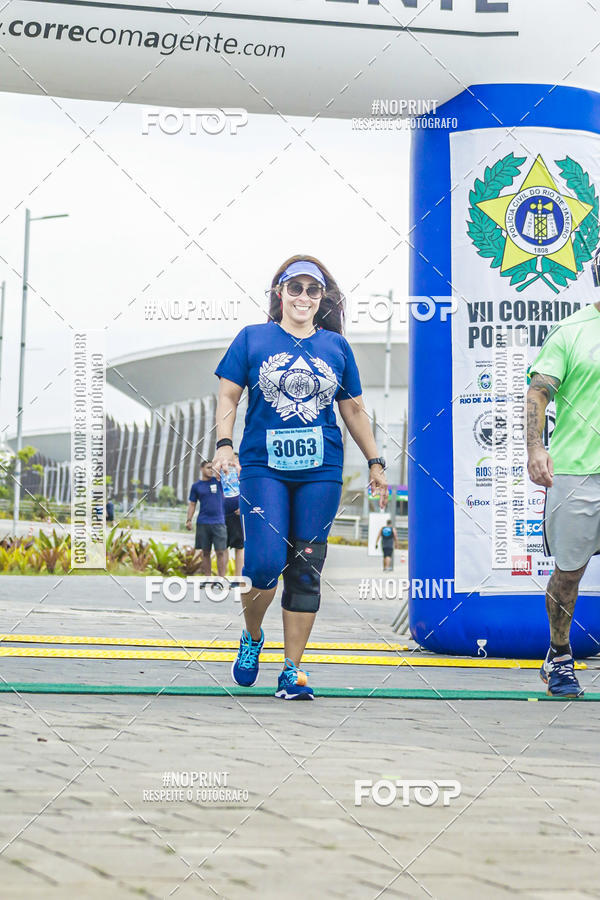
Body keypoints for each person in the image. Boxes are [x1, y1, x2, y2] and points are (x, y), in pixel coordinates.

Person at [212, 255, 388, 700]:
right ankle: (252, 638)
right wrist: (224, 444)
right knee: (265, 562)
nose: (304, 297)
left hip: (321, 469)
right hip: (263, 465)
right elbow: (229, 394)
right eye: (295, 289)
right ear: (280, 293)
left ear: (321, 297)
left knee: (307, 568)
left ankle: (292, 671)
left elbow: (352, 409)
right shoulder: (253, 339)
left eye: (313, 290)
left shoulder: (336, 347)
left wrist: (374, 460)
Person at [527, 300, 600, 698]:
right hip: (578, 471)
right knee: (569, 572)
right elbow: (538, 392)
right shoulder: (572, 330)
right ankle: (558, 654)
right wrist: (535, 448)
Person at [186, 460, 228, 577]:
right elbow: (192, 504)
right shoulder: (196, 486)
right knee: (205, 552)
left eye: (212, 468)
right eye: (208, 468)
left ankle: (221, 579)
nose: (211, 470)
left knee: (220, 552)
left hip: (219, 522)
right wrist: (189, 519)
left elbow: (228, 477)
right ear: (201, 469)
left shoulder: (219, 482)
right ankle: (208, 578)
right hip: (203, 522)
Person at [222, 453, 244, 576]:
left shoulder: (243, 475)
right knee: (222, 547)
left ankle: (238, 578)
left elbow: (249, 491)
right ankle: (221, 577)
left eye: (234, 460)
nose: (231, 463)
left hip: (237, 514)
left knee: (239, 546)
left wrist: (243, 507)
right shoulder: (222, 474)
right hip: (222, 514)